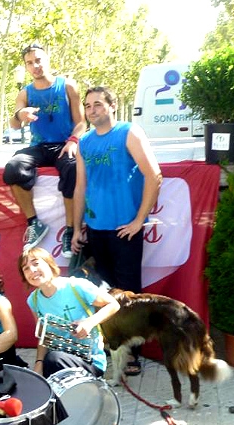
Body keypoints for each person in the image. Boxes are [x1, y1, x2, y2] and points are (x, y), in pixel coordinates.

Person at [71, 86, 162, 376]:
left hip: (125, 230)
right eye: (87, 106)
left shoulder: (129, 132)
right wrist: (76, 228)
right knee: (105, 296)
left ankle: (133, 354)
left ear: (112, 106)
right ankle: (113, 349)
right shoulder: (84, 142)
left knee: (129, 296)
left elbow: (154, 175)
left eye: (98, 104)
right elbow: (80, 187)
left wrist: (139, 220)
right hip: (96, 230)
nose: (92, 110)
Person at [3, 43, 86, 256]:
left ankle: (69, 230)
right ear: (26, 67)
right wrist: (21, 115)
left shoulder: (67, 86)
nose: (35, 66)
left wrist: (73, 140)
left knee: (71, 168)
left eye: (38, 60)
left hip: (64, 144)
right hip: (39, 146)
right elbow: (14, 123)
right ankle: (34, 223)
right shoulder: (25, 93)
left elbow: (82, 122)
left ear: (47, 59)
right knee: (13, 167)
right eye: (30, 63)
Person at [19, 246, 119, 378]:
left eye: (36, 263)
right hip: (58, 361)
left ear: (50, 264)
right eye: (26, 268)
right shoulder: (34, 300)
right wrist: (39, 363)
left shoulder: (76, 286)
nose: (32, 270)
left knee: (53, 359)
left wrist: (89, 323)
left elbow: (113, 304)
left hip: (88, 361)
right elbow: (44, 337)